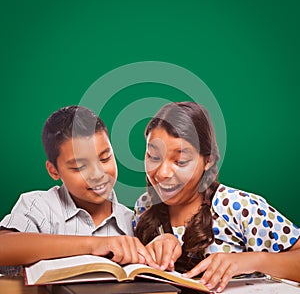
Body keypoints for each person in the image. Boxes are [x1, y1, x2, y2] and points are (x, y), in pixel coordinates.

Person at [133, 101, 300, 292]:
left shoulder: (237, 207)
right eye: (154, 157)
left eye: (180, 161)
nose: (162, 173)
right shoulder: (144, 206)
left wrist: (253, 260)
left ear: (208, 160)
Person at [0, 105, 156, 274]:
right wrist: (95, 244)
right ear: (53, 170)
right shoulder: (39, 206)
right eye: (80, 167)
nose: (97, 174)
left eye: (105, 158)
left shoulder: (132, 221)